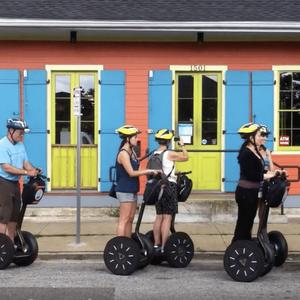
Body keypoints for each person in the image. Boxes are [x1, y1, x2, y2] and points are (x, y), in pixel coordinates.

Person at [232, 123, 277, 242]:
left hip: (252, 193)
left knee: (248, 223)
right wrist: (269, 175)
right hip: (245, 193)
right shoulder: (246, 153)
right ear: (251, 137)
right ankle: (237, 248)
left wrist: (275, 173)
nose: (264, 138)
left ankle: (245, 248)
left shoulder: (255, 151)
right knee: (244, 224)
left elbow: (259, 170)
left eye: (265, 135)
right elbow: (252, 175)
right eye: (261, 135)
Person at [115, 125, 160, 237]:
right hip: (125, 190)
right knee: (124, 220)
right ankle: (121, 244)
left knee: (130, 219)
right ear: (127, 139)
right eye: (135, 137)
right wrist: (148, 171)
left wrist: (146, 155)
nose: (137, 139)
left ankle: (129, 243)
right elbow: (131, 172)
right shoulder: (123, 153)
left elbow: (135, 162)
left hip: (132, 189)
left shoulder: (131, 152)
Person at [0, 118, 38, 243]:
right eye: (20, 133)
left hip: (15, 183)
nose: (22, 135)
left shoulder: (20, 145)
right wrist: (27, 172)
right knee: (4, 215)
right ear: (11, 130)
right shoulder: (2, 145)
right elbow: (6, 167)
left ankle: (10, 244)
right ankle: (2, 244)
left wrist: (33, 170)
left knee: (14, 215)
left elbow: (25, 162)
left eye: (23, 133)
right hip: (4, 183)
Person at [152, 129, 189, 254]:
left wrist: (173, 172)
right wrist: (182, 145)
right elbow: (186, 157)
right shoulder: (169, 153)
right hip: (169, 187)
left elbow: (163, 169)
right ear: (168, 141)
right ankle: (164, 247)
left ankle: (156, 245)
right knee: (167, 218)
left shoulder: (155, 153)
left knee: (159, 217)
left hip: (158, 187)